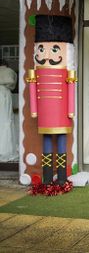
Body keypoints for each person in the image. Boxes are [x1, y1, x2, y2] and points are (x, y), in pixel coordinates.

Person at [26, 15, 77, 190]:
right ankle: (47, 178)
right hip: (45, 116)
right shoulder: (36, 74)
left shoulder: (68, 73)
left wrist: (70, 110)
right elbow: (33, 89)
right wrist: (34, 109)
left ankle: (62, 178)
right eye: (41, 49)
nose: (46, 55)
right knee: (47, 141)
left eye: (55, 50)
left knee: (61, 140)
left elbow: (71, 90)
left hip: (62, 114)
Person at [0, 59, 17, 162]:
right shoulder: (10, 71)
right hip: (5, 94)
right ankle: (5, 149)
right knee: (6, 121)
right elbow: (12, 83)